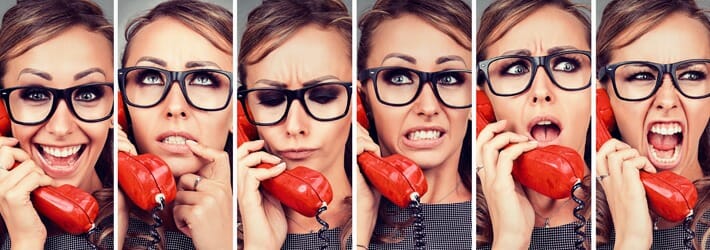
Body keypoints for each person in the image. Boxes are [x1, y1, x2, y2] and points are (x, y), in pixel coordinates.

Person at [116, 0, 233, 249]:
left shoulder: (269, 226)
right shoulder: (90, 226)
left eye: (203, 79)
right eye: (150, 77)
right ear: (122, 102)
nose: (175, 106)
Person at [476, 0, 593, 249]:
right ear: (483, 100)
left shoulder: (635, 217)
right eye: (515, 68)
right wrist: (510, 240)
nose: (541, 91)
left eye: (566, 65)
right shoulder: (458, 228)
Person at [356, 0, 473, 249]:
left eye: (449, 77)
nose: (428, 107)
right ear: (362, 98)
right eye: (399, 78)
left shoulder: (511, 215)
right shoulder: (332, 221)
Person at [236, 0, 352, 249]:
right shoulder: (212, 227)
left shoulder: (400, 217)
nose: (294, 126)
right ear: (244, 110)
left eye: (323, 97)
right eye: (270, 100)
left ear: (358, 103)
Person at [595, 0, 710, 249]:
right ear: (602, 98)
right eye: (642, 75)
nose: (667, 100)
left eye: (691, 75)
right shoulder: (576, 224)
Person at [0, 0, 113, 248]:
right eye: (36, 95)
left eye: (87, 93)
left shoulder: (156, 230)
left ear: (115, 108)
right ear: (4, 108)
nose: (61, 128)